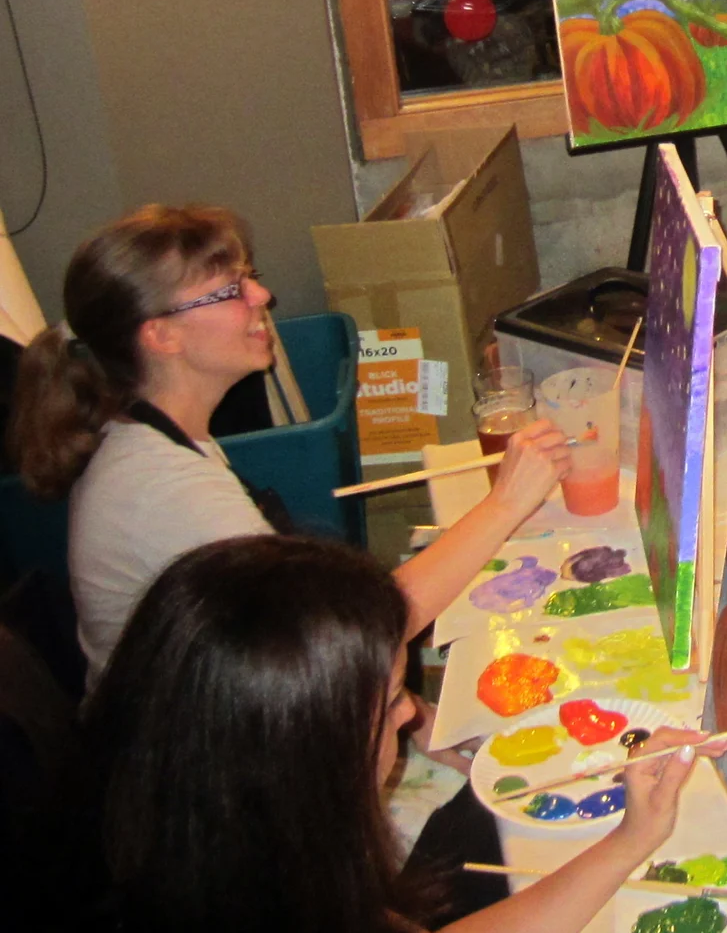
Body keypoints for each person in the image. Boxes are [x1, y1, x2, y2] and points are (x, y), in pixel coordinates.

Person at [0, 535, 717, 933]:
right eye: (393, 700)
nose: (410, 715)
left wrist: (631, 838)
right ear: (305, 757)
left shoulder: (211, 821)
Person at [5, 204, 571, 691]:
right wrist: (504, 504)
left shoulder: (157, 437)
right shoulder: (164, 489)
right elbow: (354, 638)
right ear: (161, 335)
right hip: (193, 769)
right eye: (231, 290)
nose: (262, 295)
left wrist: (406, 712)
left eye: (248, 278)